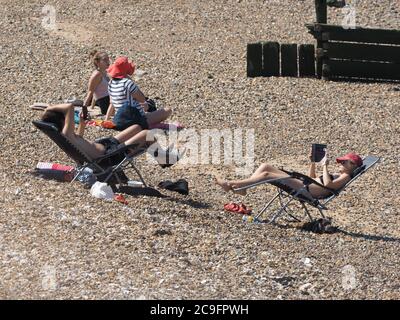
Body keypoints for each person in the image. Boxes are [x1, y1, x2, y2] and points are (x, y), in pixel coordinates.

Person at [40, 103, 181, 166]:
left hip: (105, 144)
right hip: (107, 156)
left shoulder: (67, 136)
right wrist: (49, 108)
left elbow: (79, 139)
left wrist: (82, 123)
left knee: (136, 127)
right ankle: (163, 159)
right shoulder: (65, 133)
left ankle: (161, 156)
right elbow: (69, 107)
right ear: (61, 120)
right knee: (146, 134)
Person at [216, 151, 363, 198]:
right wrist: (313, 162)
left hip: (307, 191)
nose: (341, 164)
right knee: (265, 166)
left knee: (267, 174)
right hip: (306, 184)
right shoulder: (338, 174)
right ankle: (243, 188)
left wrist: (325, 165)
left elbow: (328, 185)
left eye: (344, 162)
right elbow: (313, 178)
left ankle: (230, 184)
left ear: (353, 165)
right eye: (341, 162)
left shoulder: (346, 177)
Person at [105, 56, 172, 130]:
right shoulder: (127, 83)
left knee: (148, 113)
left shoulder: (110, 83)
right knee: (167, 110)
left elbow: (111, 103)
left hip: (119, 120)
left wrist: (106, 120)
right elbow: (142, 99)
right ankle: (149, 125)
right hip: (134, 120)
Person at [83, 50, 111, 115]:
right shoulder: (96, 75)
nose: (108, 62)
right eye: (105, 60)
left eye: (108, 59)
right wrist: (84, 109)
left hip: (110, 100)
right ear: (97, 62)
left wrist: (92, 107)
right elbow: (91, 92)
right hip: (105, 103)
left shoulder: (105, 72)